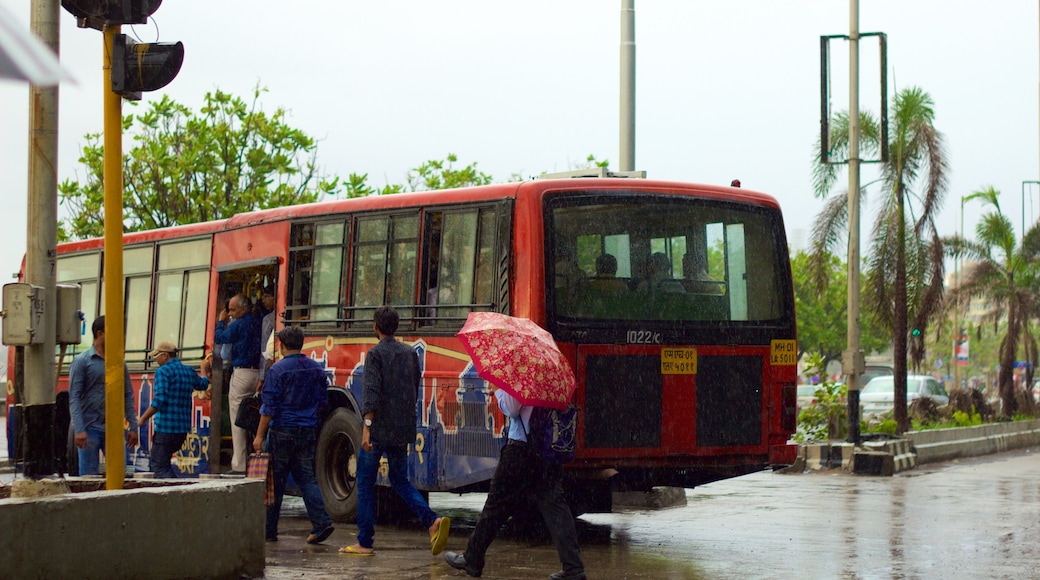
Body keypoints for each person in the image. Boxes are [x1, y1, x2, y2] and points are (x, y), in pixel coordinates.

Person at [339, 305, 451, 556]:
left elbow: (371, 394)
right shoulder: (410, 353)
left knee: (366, 483)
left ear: (376, 327)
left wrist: (367, 429)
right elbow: (413, 385)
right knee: (400, 480)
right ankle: (431, 521)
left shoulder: (375, 354)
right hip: (402, 427)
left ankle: (364, 542)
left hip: (378, 428)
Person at [444, 386, 586, 580]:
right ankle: (573, 567)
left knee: (496, 505)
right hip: (546, 450)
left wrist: (499, 392)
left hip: (520, 451)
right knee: (555, 507)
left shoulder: (522, 372)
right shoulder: (550, 378)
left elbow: (512, 408)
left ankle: (472, 558)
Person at [253, 326, 335, 545]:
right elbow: (323, 402)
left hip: (282, 430)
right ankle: (321, 522)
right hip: (307, 430)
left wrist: (259, 436)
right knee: (307, 478)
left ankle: (269, 530)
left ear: (281, 345)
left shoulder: (277, 371)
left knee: (275, 481)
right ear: (301, 344)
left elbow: (269, 407)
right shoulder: (315, 369)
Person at [69, 315, 139, 475]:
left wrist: (133, 427)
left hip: (114, 428)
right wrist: (79, 429)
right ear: (100, 333)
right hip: (89, 428)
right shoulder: (82, 361)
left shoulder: (119, 362)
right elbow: (74, 397)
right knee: (88, 476)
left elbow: (127, 394)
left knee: (119, 474)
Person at [136, 341, 211, 478]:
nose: (155, 359)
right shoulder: (188, 371)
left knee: (159, 466)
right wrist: (204, 370)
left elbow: (160, 400)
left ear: (165, 356)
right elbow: (203, 384)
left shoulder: (162, 372)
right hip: (182, 431)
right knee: (164, 464)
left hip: (166, 429)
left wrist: (142, 418)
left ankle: (174, 492)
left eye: (156, 356)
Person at [214, 293, 262, 474]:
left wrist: (220, 321)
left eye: (233, 310)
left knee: (237, 420)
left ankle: (240, 464)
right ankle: (260, 457)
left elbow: (221, 338)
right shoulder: (259, 321)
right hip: (259, 374)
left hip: (241, 373)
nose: (231, 313)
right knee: (258, 417)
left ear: (243, 308)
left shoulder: (238, 324)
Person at [255, 285, 277, 394]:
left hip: (270, 369)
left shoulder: (268, 320)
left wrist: (261, 377)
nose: (263, 300)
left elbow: (265, 351)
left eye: (267, 297)